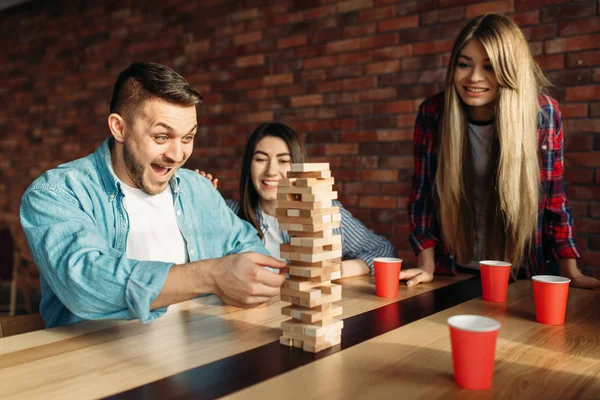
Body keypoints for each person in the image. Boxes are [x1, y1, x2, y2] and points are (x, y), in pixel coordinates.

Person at [20, 62, 286, 328]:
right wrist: (211, 276)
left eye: (187, 138)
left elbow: (248, 247)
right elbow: (83, 280)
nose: (177, 154)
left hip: (204, 360)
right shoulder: (57, 193)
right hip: (99, 366)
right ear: (119, 128)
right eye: (161, 137)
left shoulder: (199, 189)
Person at [405, 13, 599, 289]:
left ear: (510, 69)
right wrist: (426, 264)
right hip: (456, 269)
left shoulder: (543, 114)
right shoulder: (433, 113)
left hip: (523, 273)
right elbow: (421, 195)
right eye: (464, 64)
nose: (474, 78)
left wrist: (572, 271)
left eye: (490, 67)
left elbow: (555, 199)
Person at [199, 123, 396, 277]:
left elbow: (384, 250)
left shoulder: (325, 212)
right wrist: (199, 202)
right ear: (249, 166)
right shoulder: (229, 213)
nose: (271, 171)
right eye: (260, 159)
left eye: (283, 161)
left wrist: (342, 269)